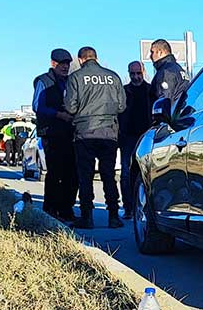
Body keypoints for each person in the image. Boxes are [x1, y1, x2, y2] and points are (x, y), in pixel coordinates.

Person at [64, 46, 126, 229]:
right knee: (108, 175)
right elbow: (122, 106)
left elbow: (70, 107)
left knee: (85, 176)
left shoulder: (75, 77)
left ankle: (87, 217)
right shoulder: (113, 76)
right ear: (96, 58)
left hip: (85, 132)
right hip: (109, 132)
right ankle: (114, 216)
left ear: (81, 59)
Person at [33, 48, 77, 222]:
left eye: (67, 64)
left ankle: (66, 209)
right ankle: (50, 209)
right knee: (55, 173)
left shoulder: (71, 81)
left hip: (70, 133)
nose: (65, 67)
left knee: (72, 174)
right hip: (51, 133)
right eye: (62, 64)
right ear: (53, 64)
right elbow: (38, 106)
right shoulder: (43, 81)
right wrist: (58, 114)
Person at [118, 61, 150, 219]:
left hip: (147, 136)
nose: (136, 77)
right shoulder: (124, 92)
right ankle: (128, 207)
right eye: (133, 74)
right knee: (126, 173)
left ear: (143, 72)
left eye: (138, 73)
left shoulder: (150, 90)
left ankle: (144, 207)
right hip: (127, 137)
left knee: (145, 173)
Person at [149, 39, 188, 105]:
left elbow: (164, 101)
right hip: (181, 112)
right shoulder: (178, 69)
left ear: (160, 52)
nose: (150, 56)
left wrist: (160, 113)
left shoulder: (166, 72)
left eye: (152, 52)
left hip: (173, 114)